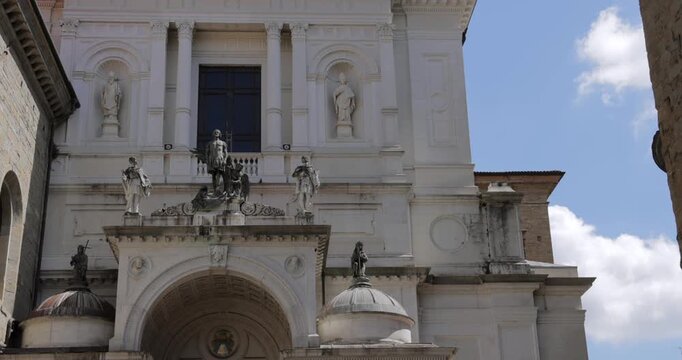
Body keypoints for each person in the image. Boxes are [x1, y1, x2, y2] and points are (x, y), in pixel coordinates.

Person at [205, 129, 229, 195]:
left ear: (220, 134)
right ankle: (215, 188)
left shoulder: (223, 143)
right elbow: (207, 152)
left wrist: (225, 160)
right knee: (213, 175)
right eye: (215, 132)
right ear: (213, 134)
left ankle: (217, 188)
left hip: (220, 159)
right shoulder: (210, 143)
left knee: (218, 174)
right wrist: (207, 160)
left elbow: (226, 152)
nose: (216, 133)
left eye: (217, 132)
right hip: (212, 159)